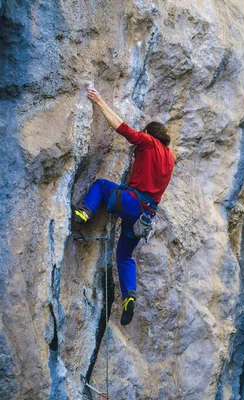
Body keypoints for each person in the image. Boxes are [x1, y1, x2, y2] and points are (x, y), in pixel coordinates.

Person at [74, 87, 175, 325]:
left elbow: (121, 127)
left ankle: (84, 213)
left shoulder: (148, 142)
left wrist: (99, 101)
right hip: (145, 217)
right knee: (125, 255)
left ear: (150, 133)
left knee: (100, 185)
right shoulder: (170, 158)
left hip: (129, 201)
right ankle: (129, 295)